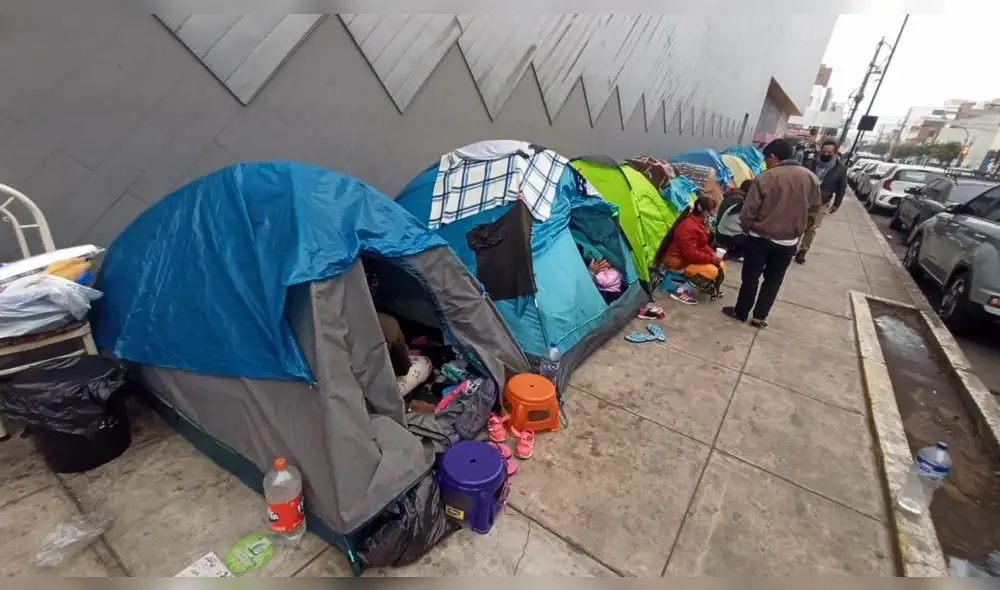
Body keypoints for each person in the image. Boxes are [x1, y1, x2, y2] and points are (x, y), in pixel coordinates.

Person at [722, 139, 821, 327]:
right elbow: (814, 210)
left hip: (759, 238)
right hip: (788, 242)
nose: (766, 162)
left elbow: (748, 211)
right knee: (773, 281)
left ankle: (741, 312)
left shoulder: (766, 177)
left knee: (751, 277)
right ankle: (759, 317)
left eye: (767, 158)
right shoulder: (811, 178)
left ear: (773, 157)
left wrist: (748, 229)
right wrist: (799, 229)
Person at [367, 269, 432, 395]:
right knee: (424, 362)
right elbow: (402, 369)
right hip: (370, 395)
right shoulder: (387, 323)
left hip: (332, 392)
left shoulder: (326, 321)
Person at [657, 196, 725, 304]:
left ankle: (706, 286)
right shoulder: (688, 226)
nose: (714, 212)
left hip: (687, 259)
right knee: (711, 271)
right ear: (704, 212)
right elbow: (690, 254)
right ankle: (681, 290)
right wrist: (711, 259)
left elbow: (702, 245)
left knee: (721, 264)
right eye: (713, 210)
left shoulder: (700, 223)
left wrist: (712, 253)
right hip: (678, 261)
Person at [796, 138, 848, 264]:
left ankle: (803, 250)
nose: (826, 155)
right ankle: (792, 246)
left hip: (823, 201)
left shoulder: (840, 169)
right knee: (799, 224)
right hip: (806, 199)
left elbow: (842, 186)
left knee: (812, 227)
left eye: (829, 153)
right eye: (824, 152)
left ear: (835, 153)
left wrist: (837, 203)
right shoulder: (809, 164)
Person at [715, 180, 753, 261]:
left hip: (721, 231)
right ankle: (736, 254)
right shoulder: (743, 208)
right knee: (752, 238)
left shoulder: (738, 205)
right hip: (725, 235)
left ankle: (731, 251)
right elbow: (748, 228)